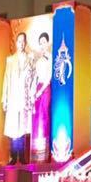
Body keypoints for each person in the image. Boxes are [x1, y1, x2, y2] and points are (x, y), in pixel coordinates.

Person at [3, 31, 34, 164]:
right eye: (19, 41)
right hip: (13, 96)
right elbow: (6, 79)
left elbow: (33, 78)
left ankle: (21, 155)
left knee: (22, 127)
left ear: (25, 43)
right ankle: (13, 156)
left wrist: (31, 96)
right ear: (16, 43)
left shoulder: (30, 59)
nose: (21, 44)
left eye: (23, 41)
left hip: (24, 97)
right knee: (13, 128)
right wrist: (4, 98)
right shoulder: (10, 60)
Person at [31, 32, 52, 161]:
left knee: (44, 116)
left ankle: (45, 152)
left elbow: (48, 77)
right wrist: (34, 92)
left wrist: (41, 91)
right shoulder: (38, 61)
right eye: (40, 43)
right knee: (36, 118)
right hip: (38, 88)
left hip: (45, 88)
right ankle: (36, 152)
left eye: (44, 42)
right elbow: (35, 77)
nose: (42, 45)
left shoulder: (51, 58)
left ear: (48, 43)